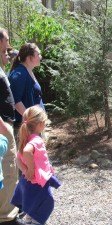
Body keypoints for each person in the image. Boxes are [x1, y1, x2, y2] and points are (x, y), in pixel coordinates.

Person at [11, 105, 60, 225]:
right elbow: (27, 151)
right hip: (38, 182)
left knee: (32, 203)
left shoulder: (25, 139)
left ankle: (28, 220)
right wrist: (31, 170)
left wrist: (25, 170)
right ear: (40, 124)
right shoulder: (36, 140)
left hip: (28, 182)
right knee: (46, 204)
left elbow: (18, 157)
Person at [0, 28, 24, 225]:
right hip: (2, 128)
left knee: (9, 171)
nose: (8, 47)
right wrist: (3, 127)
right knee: (8, 172)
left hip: (5, 125)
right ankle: (7, 217)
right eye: (6, 42)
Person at [9, 43, 44, 136]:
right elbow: (15, 101)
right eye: (38, 54)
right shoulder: (19, 74)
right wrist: (30, 121)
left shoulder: (28, 71)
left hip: (35, 126)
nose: (40, 56)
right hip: (27, 129)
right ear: (29, 58)